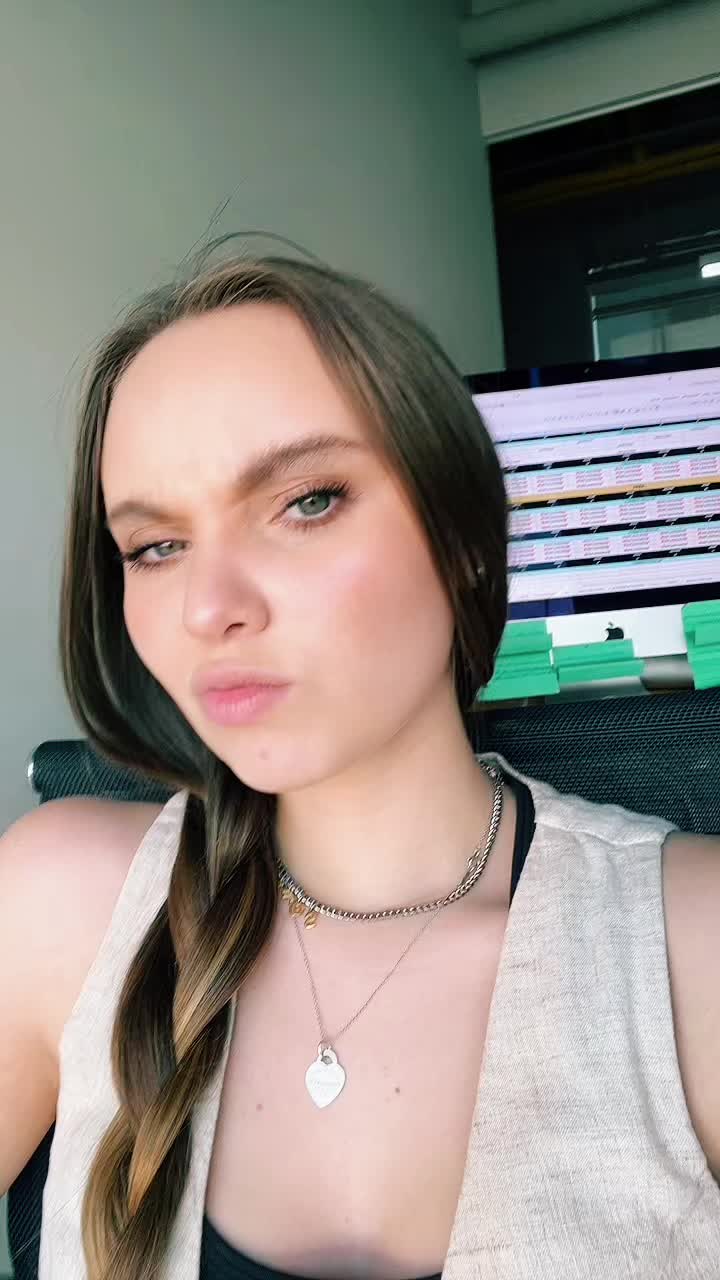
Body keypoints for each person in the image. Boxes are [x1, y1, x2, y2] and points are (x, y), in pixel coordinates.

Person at [1, 246, 719, 1280]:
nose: (209, 608)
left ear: (463, 536)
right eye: (156, 546)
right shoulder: (59, 904)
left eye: (307, 501)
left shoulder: (690, 946)